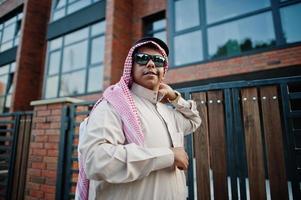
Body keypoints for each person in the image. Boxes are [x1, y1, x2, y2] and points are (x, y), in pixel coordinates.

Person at [77, 37, 201, 200]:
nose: (151, 64)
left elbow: (194, 121)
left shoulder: (167, 112)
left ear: (163, 70)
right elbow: (95, 160)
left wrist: (175, 97)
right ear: (131, 67)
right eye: (142, 59)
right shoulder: (113, 106)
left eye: (158, 60)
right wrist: (168, 156)